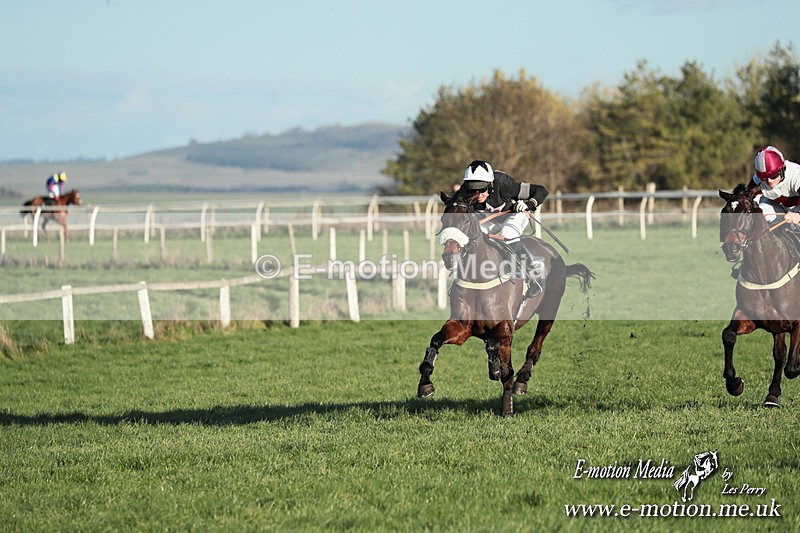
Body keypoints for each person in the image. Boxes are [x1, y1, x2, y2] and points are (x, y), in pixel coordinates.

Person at [458, 160, 549, 297]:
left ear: (491, 184)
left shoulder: (504, 184)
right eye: (473, 189)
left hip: (514, 215)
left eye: (482, 189)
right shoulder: (464, 192)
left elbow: (541, 190)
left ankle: (536, 277)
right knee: (472, 236)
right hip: (491, 221)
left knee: (508, 232)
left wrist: (528, 204)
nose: (478, 194)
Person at [745, 146, 800, 223]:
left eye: (773, 176)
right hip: (777, 206)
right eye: (764, 178)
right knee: (757, 215)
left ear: (782, 168)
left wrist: (798, 215)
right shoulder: (757, 180)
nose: (769, 181)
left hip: (798, 207)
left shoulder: (796, 175)